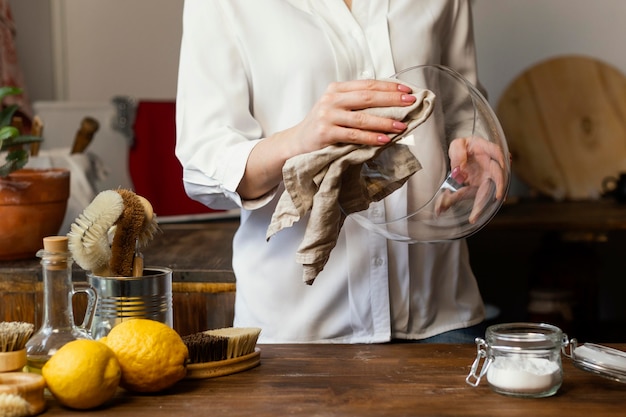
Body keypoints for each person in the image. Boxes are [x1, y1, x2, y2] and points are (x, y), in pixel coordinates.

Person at [176, 0, 505, 343]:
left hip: (440, 311)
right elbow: (203, 165)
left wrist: (475, 149)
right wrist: (299, 139)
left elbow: (463, 108)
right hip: (300, 330)